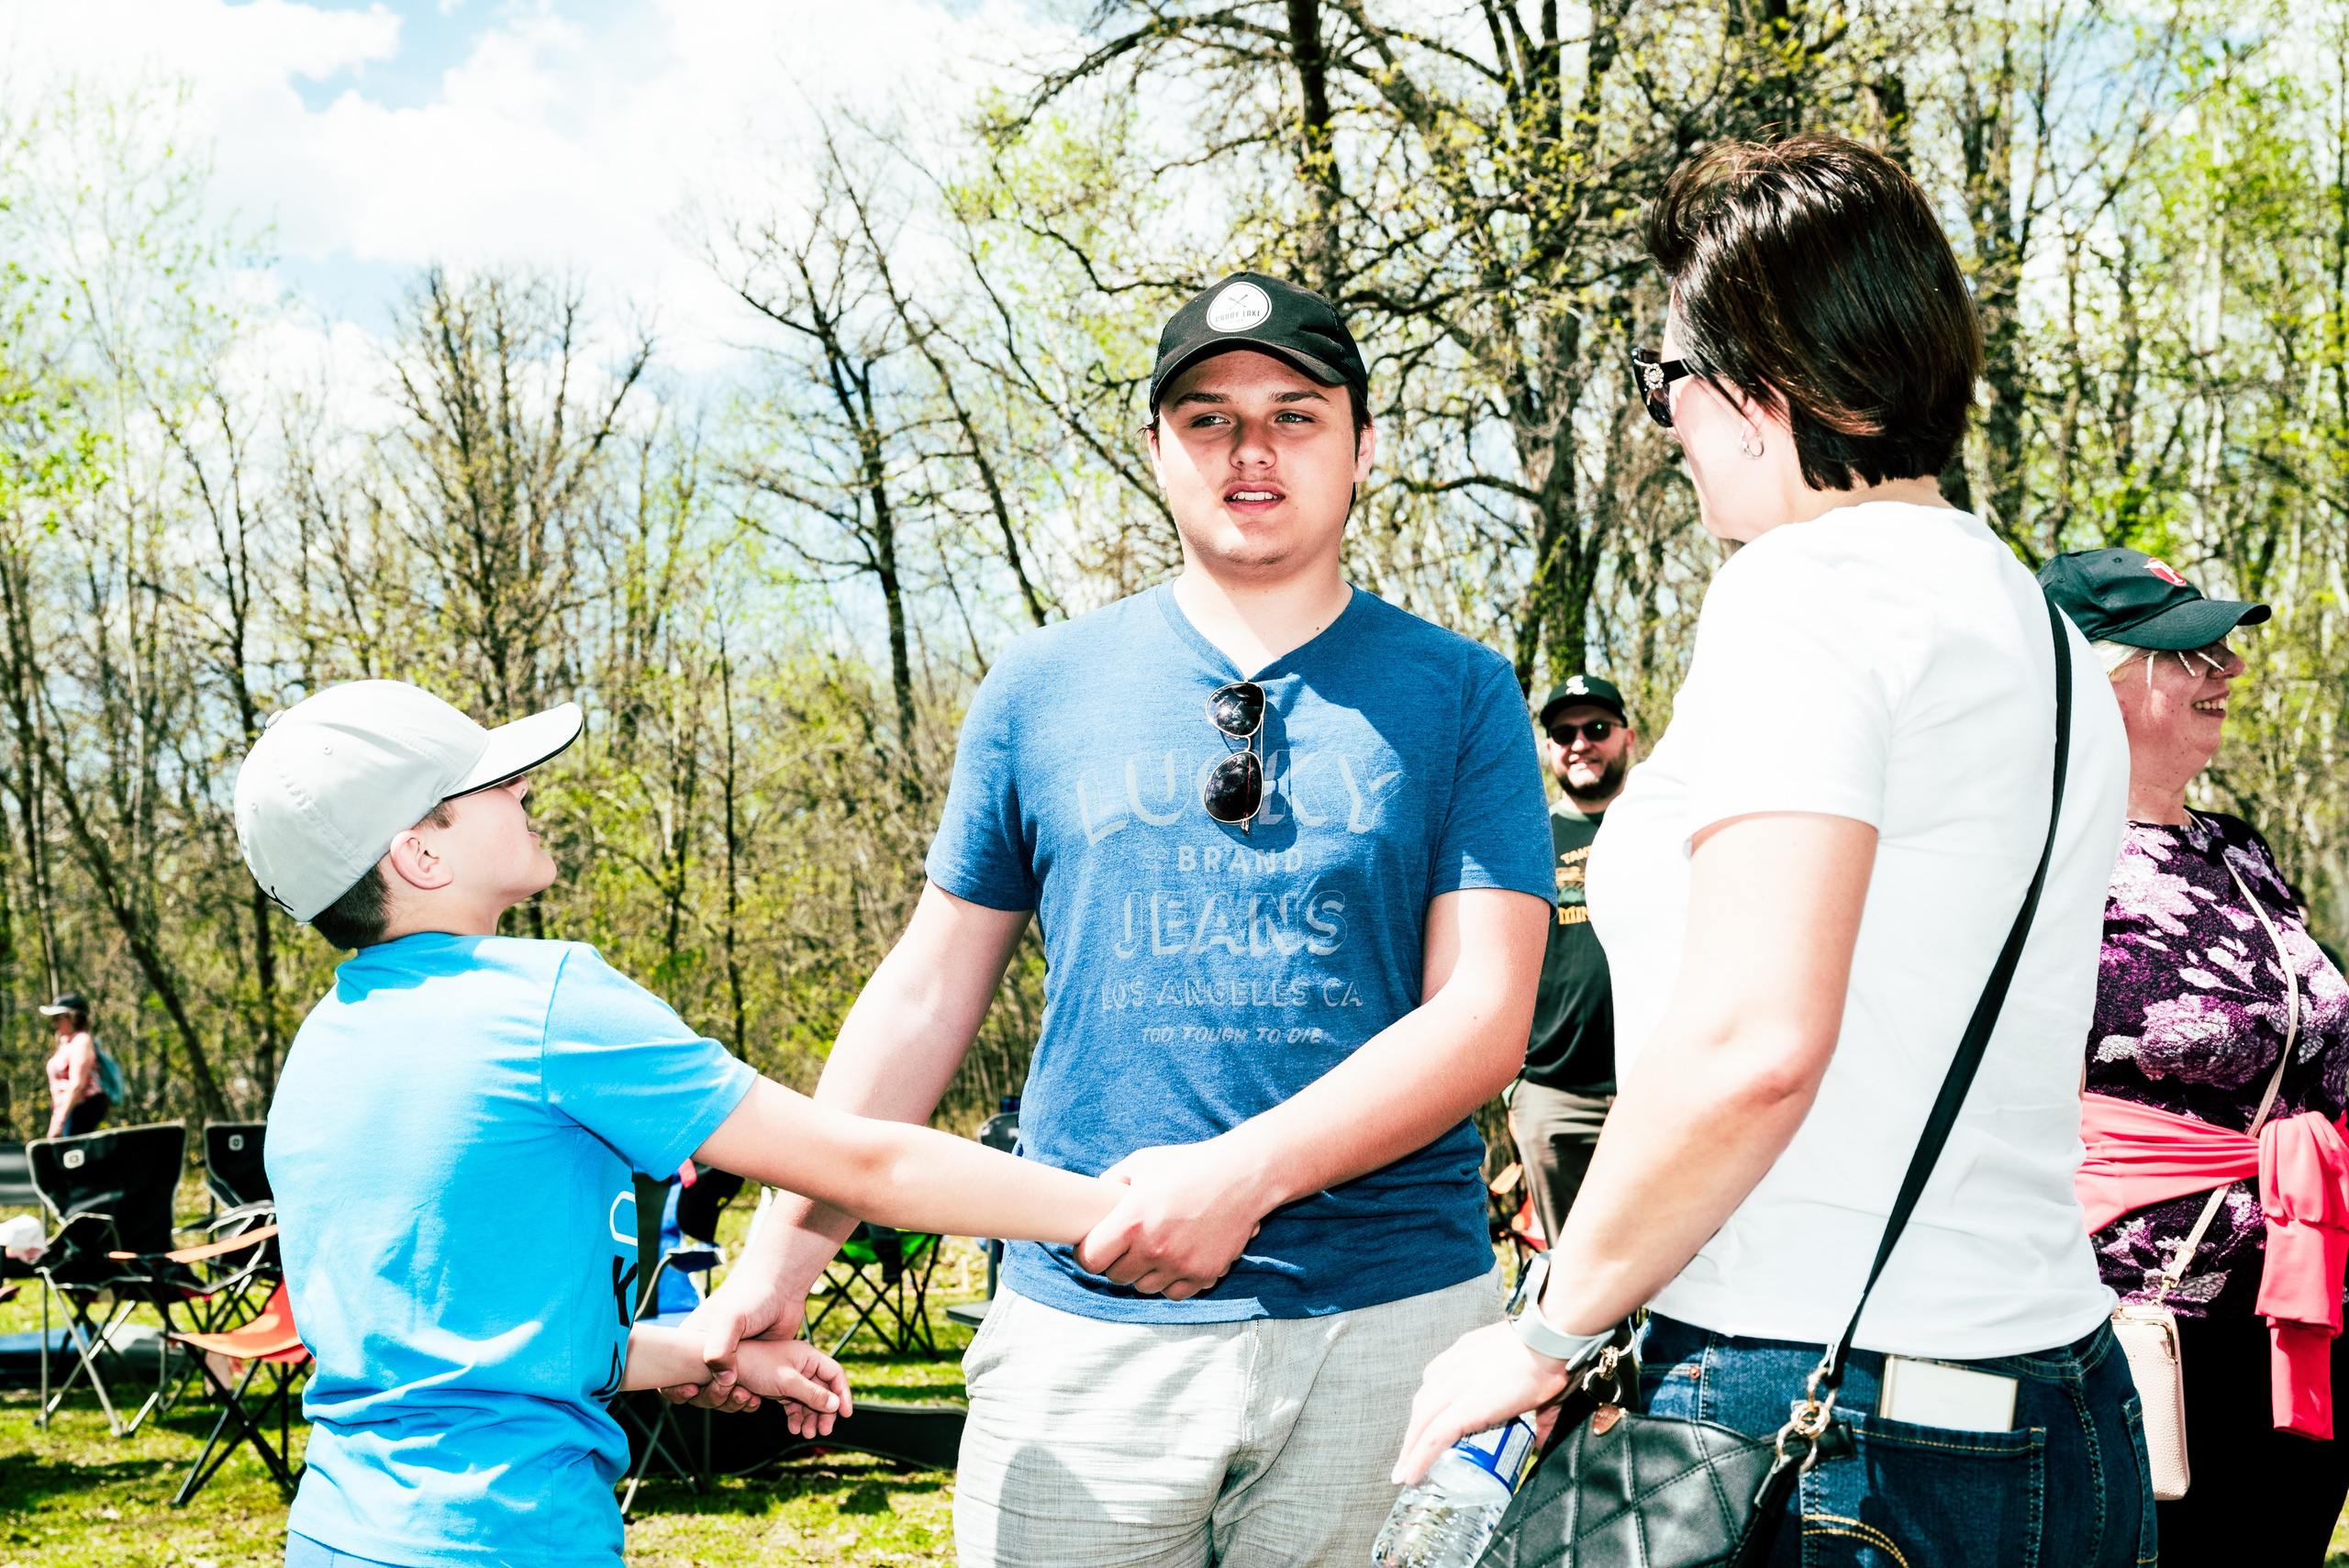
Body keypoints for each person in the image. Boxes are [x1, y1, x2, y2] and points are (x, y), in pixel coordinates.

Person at [667, 272, 1555, 1567]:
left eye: (1295, 415)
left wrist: (1238, 1177)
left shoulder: (1461, 691)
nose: (1250, 450)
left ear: (1364, 445)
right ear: (1155, 450)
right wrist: (774, 1266)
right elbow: (925, 995)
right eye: (1207, 418)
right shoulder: (1039, 686)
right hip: (1082, 1326)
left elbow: (1481, 1016)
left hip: (1389, 1325)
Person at [1395, 135, 2154, 1565]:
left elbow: (1754, 1042)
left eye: (1666, 378)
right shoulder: (2040, 631)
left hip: (1827, 1422)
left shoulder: (1806, 592)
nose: (1665, 421)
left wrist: (1547, 1326)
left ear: (1761, 387)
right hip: (2054, 1405)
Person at [236, 679, 1123, 1568]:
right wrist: (1112, 1209)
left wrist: (709, 1352)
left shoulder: (321, 1050)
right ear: (421, 854)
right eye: (491, 785)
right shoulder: (547, 1003)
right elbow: (864, 1166)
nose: (523, 787)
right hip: (509, 1536)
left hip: (339, 1531)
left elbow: (470, 1349)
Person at [2040, 547, 2349, 1562]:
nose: (2229, 669)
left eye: (2222, 649)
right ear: (2096, 680)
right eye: (2189, 654)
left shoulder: (2239, 849)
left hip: (2297, 1295)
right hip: (2138, 1311)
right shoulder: (2036, 855)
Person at [1509, 675, 1638, 1245]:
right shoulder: (1524, 839)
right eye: (1564, 734)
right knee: (1572, 1261)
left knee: (1673, 1264)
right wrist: (1517, 1091)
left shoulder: (1662, 829)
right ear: (1547, 749)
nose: (1580, 743)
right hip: (1554, 1094)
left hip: (1656, 1084)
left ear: (1628, 738)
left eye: (1597, 728)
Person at [41, 994, 119, 1139]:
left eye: (57, 1018)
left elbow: (77, 1085)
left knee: (71, 1150)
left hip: (80, 1108)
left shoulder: (82, 1041)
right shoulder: (66, 1042)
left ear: (73, 1017)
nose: (54, 1023)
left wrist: (59, 1121)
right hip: (69, 1110)